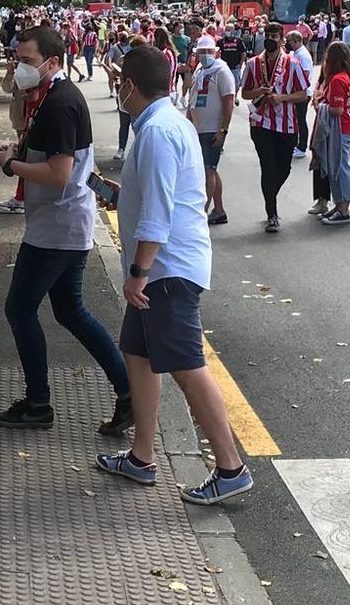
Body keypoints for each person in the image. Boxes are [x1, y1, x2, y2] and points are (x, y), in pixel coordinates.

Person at [94, 44, 252, 504]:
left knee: (187, 367)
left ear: (128, 86)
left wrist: (138, 273)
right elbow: (165, 194)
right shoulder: (163, 124)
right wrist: (123, 196)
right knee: (138, 356)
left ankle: (230, 467)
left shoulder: (158, 131)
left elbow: (160, 212)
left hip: (166, 271)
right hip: (164, 267)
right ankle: (142, 457)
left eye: (119, 81)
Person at [0, 27, 134, 437]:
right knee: (70, 311)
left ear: (52, 62)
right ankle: (127, 392)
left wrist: (10, 166)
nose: (19, 67)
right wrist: (13, 153)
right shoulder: (48, 97)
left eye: (27, 61)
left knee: (20, 309)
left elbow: (60, 173)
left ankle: (38, 403)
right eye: (17, 58)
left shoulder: (60, 103)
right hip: (60, 225)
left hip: (57, 230)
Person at [238, 23, 309, 234]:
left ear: (281, 39)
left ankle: (271, 194)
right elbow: (245, 94)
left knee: (284, 168)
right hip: (260, 123)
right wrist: (258, 91)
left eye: (274, 36)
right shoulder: (253, 64)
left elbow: (303, 94)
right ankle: (272, 213)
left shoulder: (292, 63)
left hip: (286, 123)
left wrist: (282, 98)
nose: (270, 39)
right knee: (267, 167)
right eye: (267, 35)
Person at [186, 35, 236, 227]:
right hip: (199, 127)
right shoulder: (200, 69)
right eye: (201, 52)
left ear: (215, 52)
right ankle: (219, 209)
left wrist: (223, 128)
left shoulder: (222, 71)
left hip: (212, 128)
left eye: (208, 51)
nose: (205, 55)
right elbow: (194, 97)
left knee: (207, 171)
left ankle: (202, 212)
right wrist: (189, 121)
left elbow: (228, 101)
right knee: (210, 170)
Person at [311, 40, 350, 225]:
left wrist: (319, 105)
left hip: (340, 128)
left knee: (339, 167)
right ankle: (339, 204)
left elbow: (337, 109)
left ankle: (343, 208)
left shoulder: (337, 79)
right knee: (336, 167)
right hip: (343, 127)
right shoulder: (346, 76)